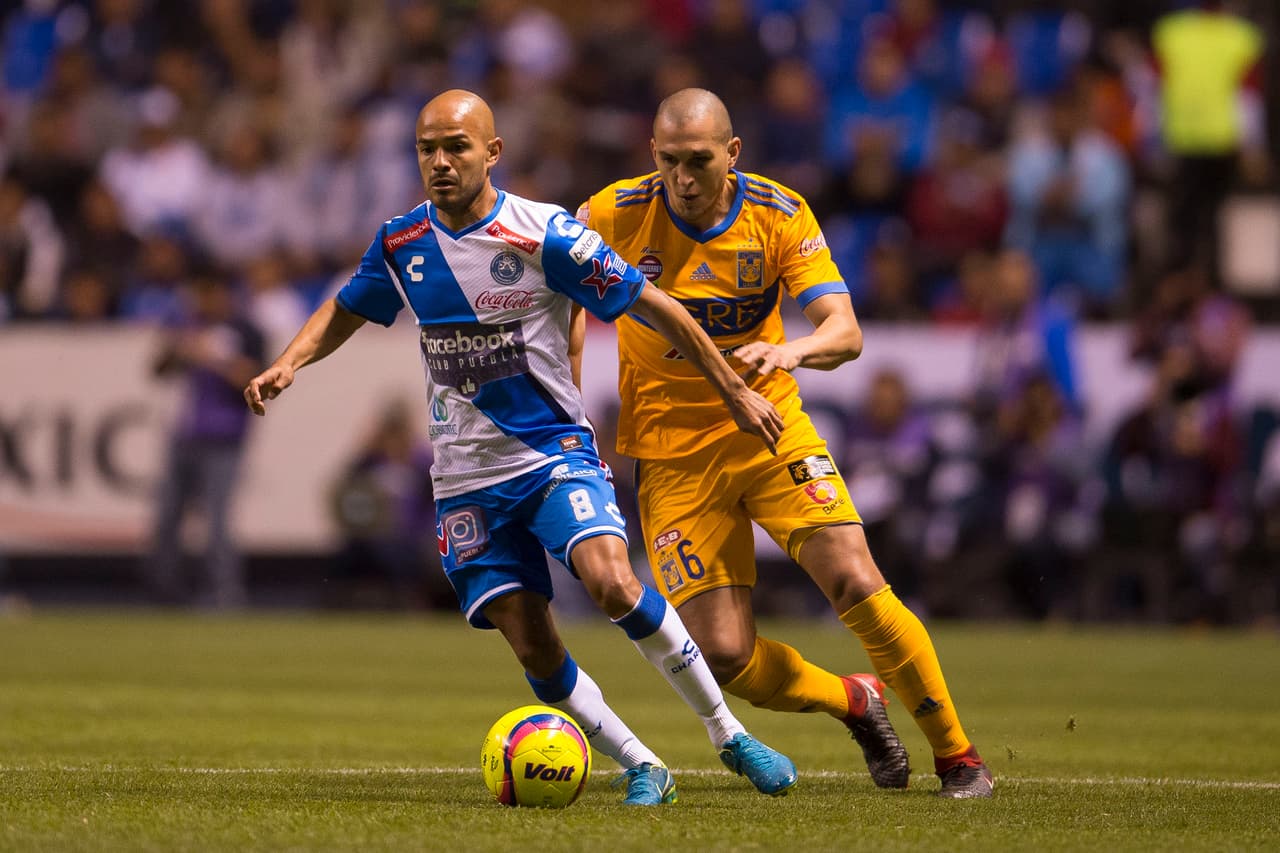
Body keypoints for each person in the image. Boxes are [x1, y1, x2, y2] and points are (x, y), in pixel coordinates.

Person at [243, 89, 796, 806]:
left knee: (612, 582)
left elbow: (656, 305)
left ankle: (729, 736)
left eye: (457, 147)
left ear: (492, 153)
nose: (440, 162)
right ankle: (640, 764)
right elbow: (345, 307)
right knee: (531, 641)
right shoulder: (402, 242)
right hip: (464, 477)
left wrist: (733, 390)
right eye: (427, 149)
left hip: (548, 453)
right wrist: (290, 362)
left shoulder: (545, 235)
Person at [578, 88, 993, 797]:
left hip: (767, 429)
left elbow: (845, 328)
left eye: (700, 161)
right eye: (670, 161)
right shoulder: (613, 212)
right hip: (671, 456)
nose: (683, 177)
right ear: (653, 154)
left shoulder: (779, 211)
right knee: (723, 652)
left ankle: (958, 755)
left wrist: (792, 353)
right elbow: (551, 289)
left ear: (732, 154)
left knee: (856, 578)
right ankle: (853, 700)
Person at [146, 268, 265, 608]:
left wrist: (215, 358)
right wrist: (177, 347)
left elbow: (256, 381)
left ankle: (224, 592)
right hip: (186, 432)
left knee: (217, 520)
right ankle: (163, 590)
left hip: (226, 436)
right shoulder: (189, 325)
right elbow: (158, 370)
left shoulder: (246, 330)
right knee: (168, 515)